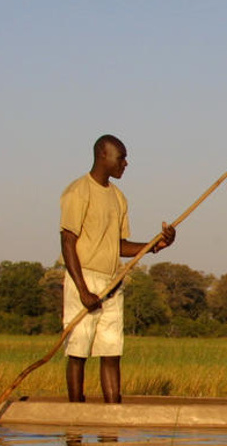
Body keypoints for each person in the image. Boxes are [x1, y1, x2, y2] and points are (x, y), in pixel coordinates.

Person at [60, 134, 176, 403]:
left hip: (113, 281)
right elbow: (67, 241)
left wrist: (156, 245)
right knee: (78, 352)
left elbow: (119, 245)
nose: (126, 163)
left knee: (111, 352)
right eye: (121, 157)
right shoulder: (78, 191)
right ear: (103, 155)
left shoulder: (119, 197)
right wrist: (83, 291)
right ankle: (76, 414)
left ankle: (112, 415)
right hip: (84, 278)